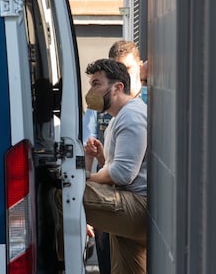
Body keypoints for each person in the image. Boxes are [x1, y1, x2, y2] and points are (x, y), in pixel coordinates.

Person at [83, 40, 147, 274]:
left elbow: (122, 173)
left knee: (63, 195)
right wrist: (97, 157)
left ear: (118, 87)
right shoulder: (119, 117)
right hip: (131, 204)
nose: (91, 92)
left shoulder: (131, 116)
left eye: (96, 84)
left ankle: (56, 257)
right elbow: (116, 167)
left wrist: (87, 178)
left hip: (138, 207)